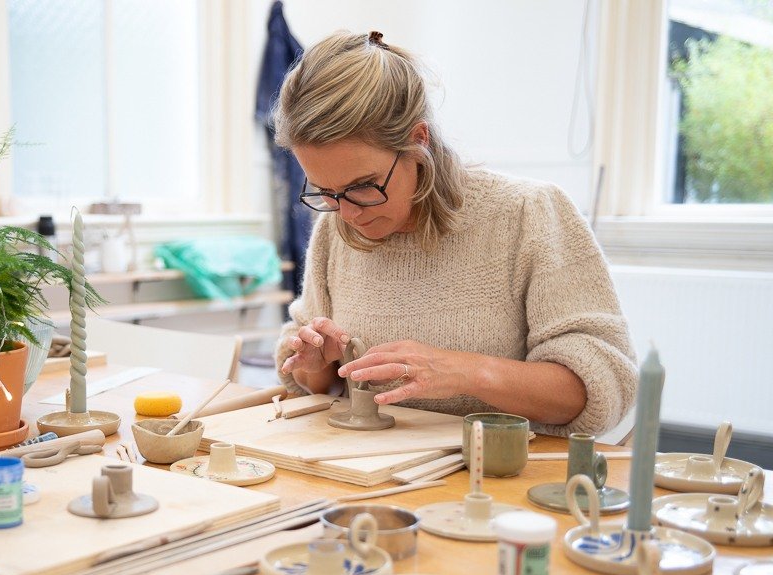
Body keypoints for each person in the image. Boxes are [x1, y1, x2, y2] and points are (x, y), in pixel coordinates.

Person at [273, 30, 637, 437]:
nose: (348, 212)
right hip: (372, 475)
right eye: (326, 191)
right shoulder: (334, 229)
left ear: (418, 141)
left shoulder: (525, 214)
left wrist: (467, 371)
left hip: (502, 478)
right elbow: (318, 384)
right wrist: (315, 364)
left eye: (363, 185)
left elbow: (603, 385)